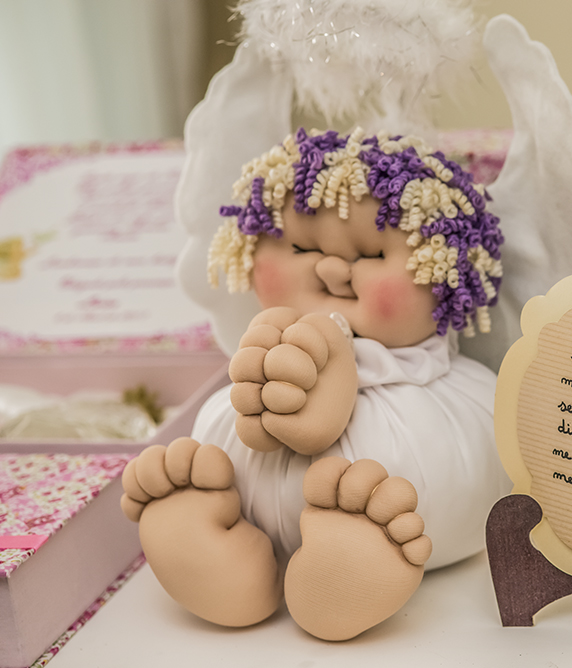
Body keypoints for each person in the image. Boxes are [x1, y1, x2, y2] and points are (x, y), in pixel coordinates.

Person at [120, 127, 510, 641]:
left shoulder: (446, 380)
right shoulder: (259, 346)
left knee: (400, 479)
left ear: (451, 270)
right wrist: (284, 362)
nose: (330, 271)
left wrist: (328, 352)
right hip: (265, 383)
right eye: (301, 246)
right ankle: (212, 544)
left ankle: (356, 555)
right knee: (221, 436)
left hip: (401, 435)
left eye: (371, 255)